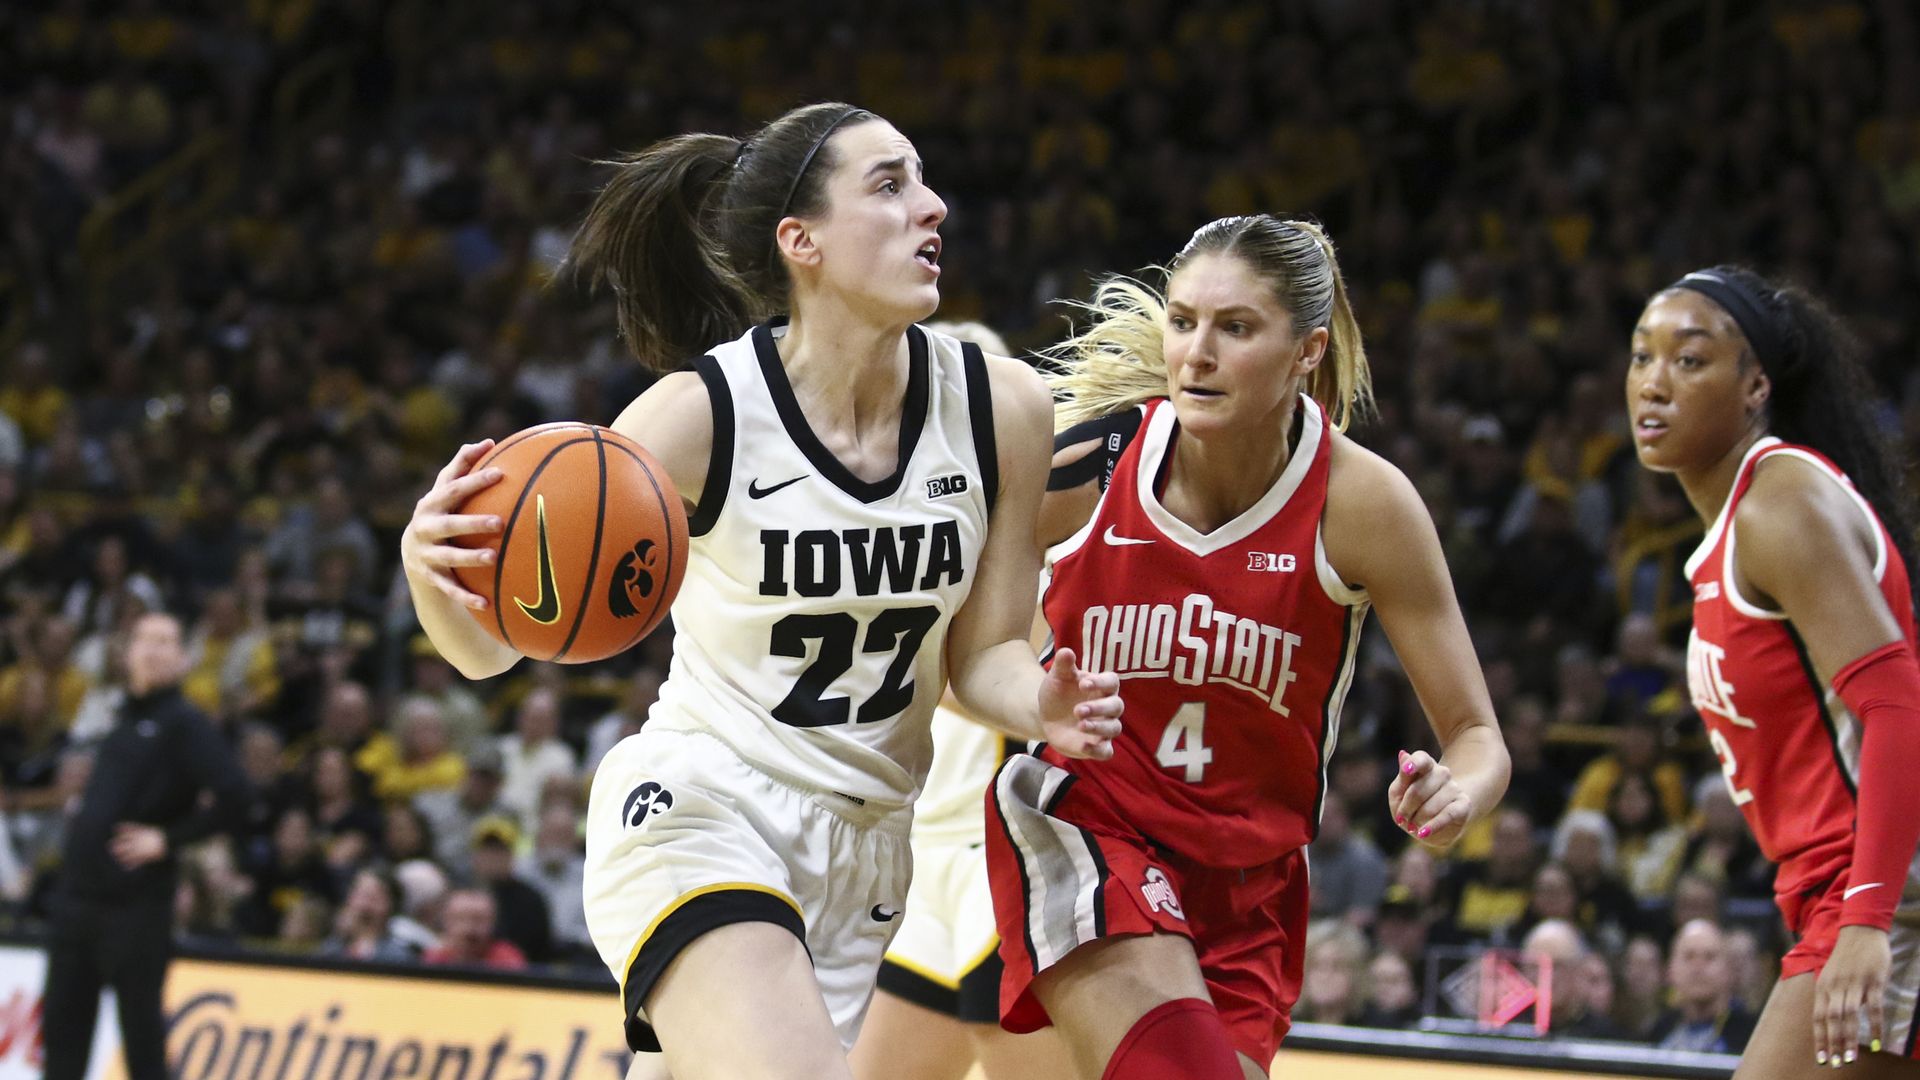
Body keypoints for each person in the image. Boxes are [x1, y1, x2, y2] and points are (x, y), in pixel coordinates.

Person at [398, 101, 1121, 1080]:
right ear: (801, 240)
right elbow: (495, 652)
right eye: (890, 185)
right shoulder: (699, 418)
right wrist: (433, 572)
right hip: (705, 808)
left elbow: (982, 656)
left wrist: (1043, 701)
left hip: (869, 863)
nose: (933, 206)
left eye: (923, 178)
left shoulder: (1004, 408)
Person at [987, 215, 1510, 1080]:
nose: (1196, 352)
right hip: (1093, 825)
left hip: (1253, 887)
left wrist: (1460, 795)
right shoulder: (1096, 461)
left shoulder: (1363, 503)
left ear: (1306, 351)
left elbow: (1478, 735)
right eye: (1184, 320)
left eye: (1235, 328)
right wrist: (1029, 694)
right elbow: (970, 645)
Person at [1628, 266, 1920, 1075]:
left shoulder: (1777, 504)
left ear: (1756, 384)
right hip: (1851, 893)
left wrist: (1867, 918)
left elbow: (1898, 707)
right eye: (1641, 356)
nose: (1654, 383)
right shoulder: (1738, 525)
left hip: (1882, 894)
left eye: (1689, 361)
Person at [848, 321, 1073, 1080]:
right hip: (915, 851)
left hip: (1000, 846)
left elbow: (1030, 688)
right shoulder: (887, 531)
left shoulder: (1031, 546)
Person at [40, 612, 251, 1080]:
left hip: (134, 908)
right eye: (145, 640)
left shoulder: (184, 722)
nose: (154, 650)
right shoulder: (120, 714)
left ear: (182, 659)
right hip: (77, 902)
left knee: (142, 1042)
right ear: (127, 651)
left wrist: (168, 839)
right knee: (62, 1038)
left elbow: (236, 794)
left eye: (166, 642)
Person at [1652, 919, 1760, 1054]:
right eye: (1688, 956)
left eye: (1709, 957)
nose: (1698, 966)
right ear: (1670, 970)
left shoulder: (1755, 1035)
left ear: (1729, 969)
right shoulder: (1658, 1031)